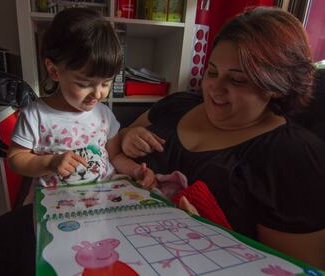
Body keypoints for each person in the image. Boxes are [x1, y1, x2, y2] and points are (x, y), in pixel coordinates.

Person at [119, 7, 325, 269]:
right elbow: (118, 139)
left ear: (276, 86)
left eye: (238, 80)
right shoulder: (179, 104)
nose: (215, 88)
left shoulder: (293, 157)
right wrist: (127, 136)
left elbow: (297, 269)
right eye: (212, 72)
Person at [7, 7, 155, 199]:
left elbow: (114, 156)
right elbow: (15, 159)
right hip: (57, 206)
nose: (98, 93)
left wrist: (136, 171)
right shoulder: (36, 114)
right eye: (85, 84)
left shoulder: (104, 114)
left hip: (103, 201)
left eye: (106, 83)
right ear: (54, 71)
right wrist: (49, 163)